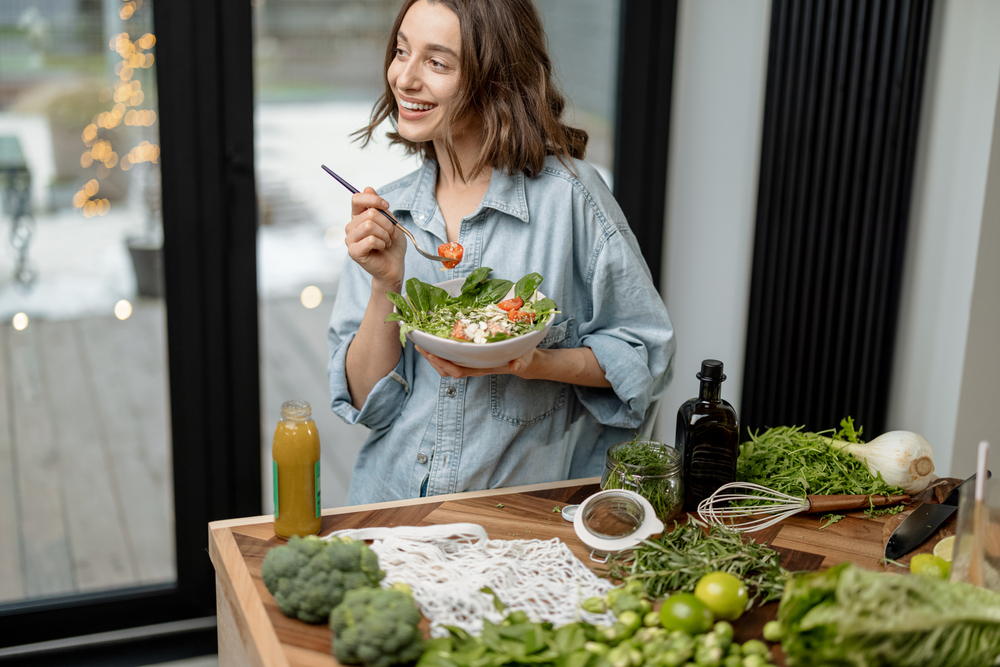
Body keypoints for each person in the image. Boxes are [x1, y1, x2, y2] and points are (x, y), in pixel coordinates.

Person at [328, 0, 675, 505]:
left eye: (438, 62)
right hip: (392, 505)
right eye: (402, 52)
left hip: (520, 517)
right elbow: (366, 405)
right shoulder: (389, 213)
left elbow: (646, 358)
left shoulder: (571, 200)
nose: (404, 78)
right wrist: (387, 283)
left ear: (496, 78)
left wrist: (533, 363)